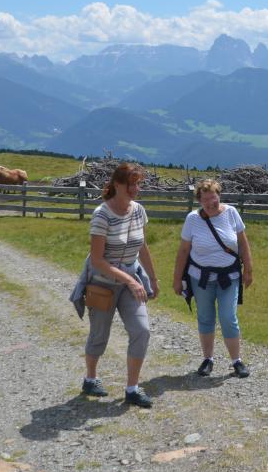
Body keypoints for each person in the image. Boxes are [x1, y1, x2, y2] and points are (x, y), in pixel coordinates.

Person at [72, 163, 159, 408]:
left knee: (142, 330)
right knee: (99, 335)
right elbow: (98, 260)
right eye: (131, 184)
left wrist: (152, 278)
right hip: (103, 284)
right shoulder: (102, 214)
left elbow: (142, 246)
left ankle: (132, 388)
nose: (135, 188)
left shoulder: (138, 211)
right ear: (117, 185)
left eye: (138, 183)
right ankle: (90, 378)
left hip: (131, 281)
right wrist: (131, 280)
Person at [173, 179, 254, 378]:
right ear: (199, 201)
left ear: (219, 196)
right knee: (205, 318)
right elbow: (184, 250)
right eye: (206, 199)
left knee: (228, 317)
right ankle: (208, 359)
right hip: (200, 278)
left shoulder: (231, 213)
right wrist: (177, 279)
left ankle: (236, 361)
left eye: (214, 198)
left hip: (229, 276)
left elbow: (243, 243)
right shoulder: (192, 219)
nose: (211, 203)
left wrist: (249, 270)